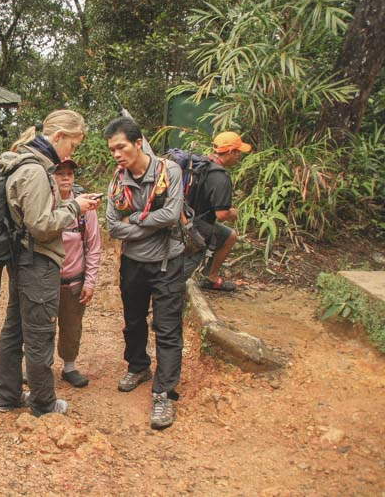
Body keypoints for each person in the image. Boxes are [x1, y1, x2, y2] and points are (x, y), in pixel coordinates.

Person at [0, 110, 100, 416]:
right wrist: (75, 207)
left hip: (22, 258)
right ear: (58, 137)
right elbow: (41, 225)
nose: (70, 153)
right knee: (39, 334)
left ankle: (8, 396)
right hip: (37, 262)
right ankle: (43, 404)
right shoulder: (35, 171)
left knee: (15, 329)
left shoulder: (25, 162)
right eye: (72, 145)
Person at [104, 116, 185, 430]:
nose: (116, 154)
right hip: (133, 263)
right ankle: (138, 366)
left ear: (138, 143)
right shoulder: (117, 182)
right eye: (112, 149)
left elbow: (172, 215)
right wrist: (150, 224)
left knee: (167, 327)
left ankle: (163, 392)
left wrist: (135, 220)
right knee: (134, 320)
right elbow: (114, 227)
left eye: (121, 147)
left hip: (167, 262)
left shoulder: (169, 171)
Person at [52, 158, 102, 388]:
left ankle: (69, 367)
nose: (65, 177)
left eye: (69, 174)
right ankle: (38, 367)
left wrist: (89, 282)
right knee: (40, 327)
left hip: (73, 280)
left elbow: (93, 246)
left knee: (72, 326)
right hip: (46, 279)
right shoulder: (44, 204)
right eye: (60, 173)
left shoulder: (85, 208)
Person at [185, 131, 252, 291]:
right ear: (230, 152)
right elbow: (221, 215)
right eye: (238, 152)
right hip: (197, 226)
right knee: (227, 235)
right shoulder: (221, 177)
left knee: (228, 235)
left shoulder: (203, 163)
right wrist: (233, 213)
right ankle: (205, 278)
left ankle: (210, 276)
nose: (239, 156)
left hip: (185, 216)